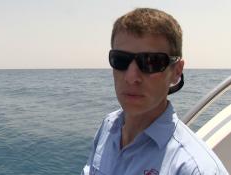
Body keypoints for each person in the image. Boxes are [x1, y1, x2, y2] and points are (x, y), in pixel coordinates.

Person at [82, 8, 228, 175]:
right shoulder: (108, 126)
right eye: (120, 60)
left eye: (151, 62)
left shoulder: (194, 168)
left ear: (176, 71)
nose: (131, 77)